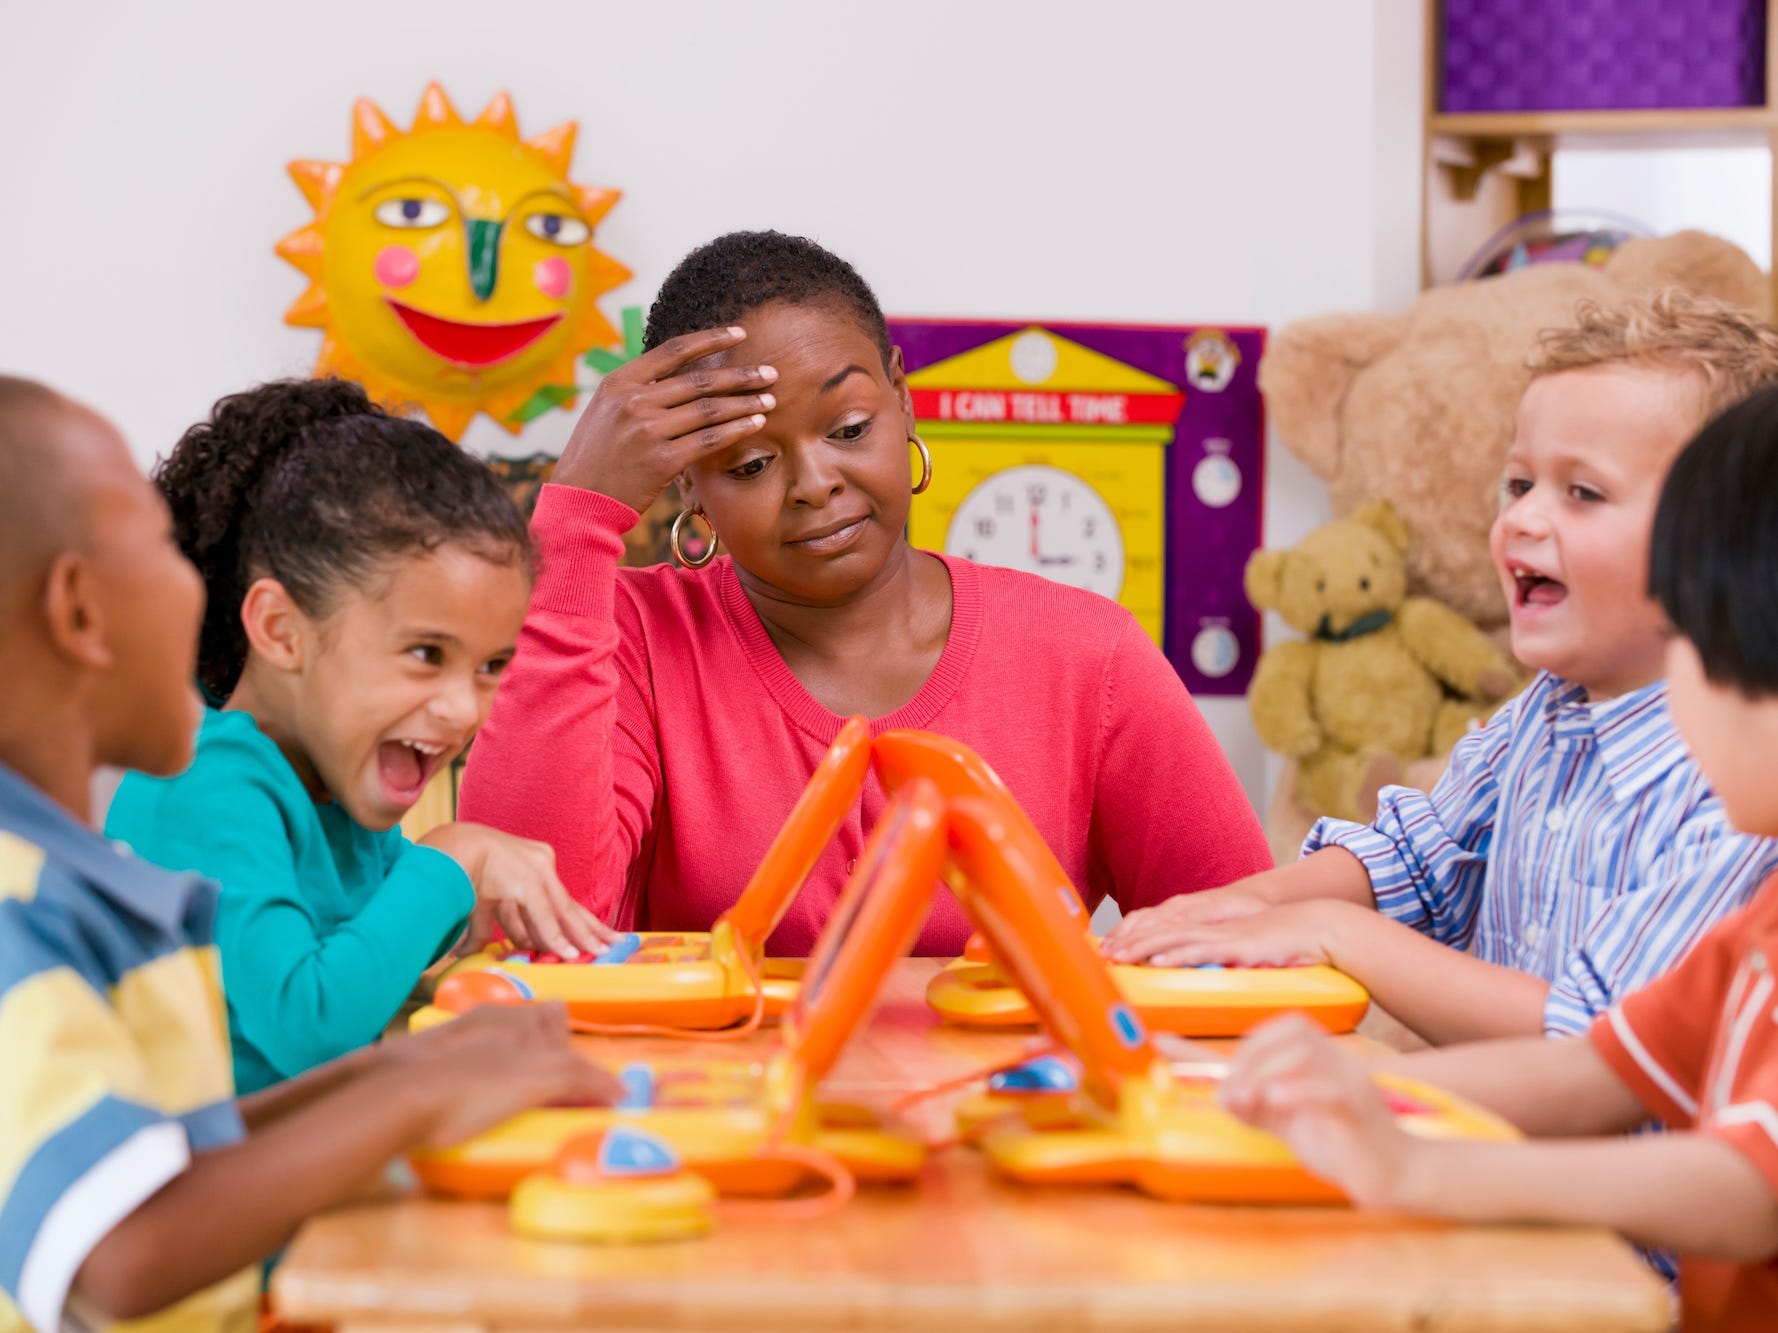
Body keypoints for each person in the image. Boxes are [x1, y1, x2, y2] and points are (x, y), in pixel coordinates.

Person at [457, 230, 1271, 954]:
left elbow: (1247, 945)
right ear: (691, 487)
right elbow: (534, 931)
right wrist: (574, 519)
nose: (815, 483)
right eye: (748, 465)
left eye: (848, 429)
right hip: (710, 1123)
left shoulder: (1088, 653)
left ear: (902, 397)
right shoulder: (628, 634)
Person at [0, 376, 615, 1333]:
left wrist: (437, 1068)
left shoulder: (61, 874)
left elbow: (182, 1146)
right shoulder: (19, 903)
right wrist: (418, 1080)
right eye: (163, 546)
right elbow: (115, 1257)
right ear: (80, 610)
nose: (202, 573)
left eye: (490, 665)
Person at [1220, 381, 1778, 1332]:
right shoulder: (1755, 935)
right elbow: (1599, 1072)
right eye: (1518, 482)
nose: (1673, 697)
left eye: (1692, 638)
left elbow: (1748, 1182)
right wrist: (1352, 1088)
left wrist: (1428, 1167)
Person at [1105, 291, 1778, 1044]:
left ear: (1719, 544)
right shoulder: (1539, 713)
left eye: (1582, 492)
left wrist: (1331, 933)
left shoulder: (1740, 786)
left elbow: (1594, 1041)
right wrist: (1243, 906)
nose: (1522, 517)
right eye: (1520, 483)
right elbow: (1415, 857)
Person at [105, 378, 614, 1094]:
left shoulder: (334, 783)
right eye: (425, 654)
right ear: (282, 630)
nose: (463, 710)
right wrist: (453, 859)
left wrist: (471, 910)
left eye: (492, 665)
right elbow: (309, 1025)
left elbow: (365, 956)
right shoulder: (207, 780)